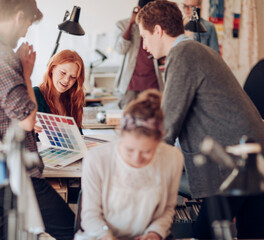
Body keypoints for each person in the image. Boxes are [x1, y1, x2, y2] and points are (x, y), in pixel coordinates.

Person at [136, 1, 264, 238]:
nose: (144, 45)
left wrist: (140, 162)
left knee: (205, 233)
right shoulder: (196, 50)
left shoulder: (183, 53)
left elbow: (169, 120)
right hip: (251, 154)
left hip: (232, 160)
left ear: (157, 30)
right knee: (251, 233)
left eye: (144, 36)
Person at [0, 0, 74, 239]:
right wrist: (26, 73)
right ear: (19, 16)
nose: (24, 33)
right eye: (27, 25)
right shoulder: (2, 56)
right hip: (12, 176)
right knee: (74, 229)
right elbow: (27, 120)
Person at [78, 89, 184, 240]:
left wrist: (154, 234)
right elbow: (90, 215)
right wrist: (106, 236)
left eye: (147, 151)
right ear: (120, 134)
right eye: (129, 149)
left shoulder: (172, 157)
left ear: (159, 140)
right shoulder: (96, 159)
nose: (136, 158)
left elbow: (167, 209)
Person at [114, 0, 163, 109]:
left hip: (152, 82)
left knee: (153, 119)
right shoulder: (122, 24)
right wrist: (131, 23)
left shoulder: (158, 26)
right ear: (139, 9)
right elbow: (120, 49)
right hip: (130, 83)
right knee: (127, 118)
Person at [33, 49, 85, 135]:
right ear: (52, 68)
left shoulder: (71, 99)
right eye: (63, 73)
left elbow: (78, 136)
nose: (66, 80)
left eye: (73, 77)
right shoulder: (34, 95)